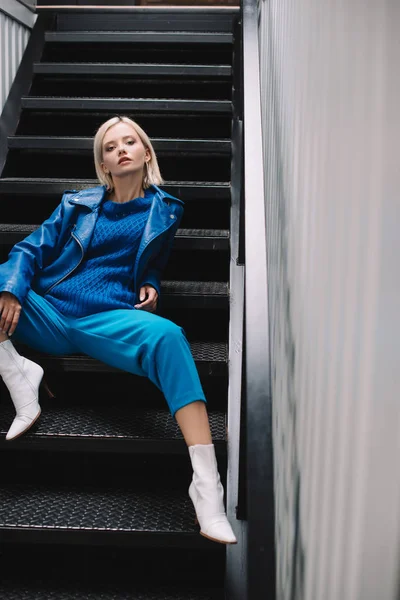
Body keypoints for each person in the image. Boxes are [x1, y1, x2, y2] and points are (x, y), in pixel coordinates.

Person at [0, 115, 237, 545]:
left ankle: (207, 487)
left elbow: (153, 260)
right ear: (103, 163)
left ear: (146, 153)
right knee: (2, 279)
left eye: (130, 142)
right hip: (50, 310)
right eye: (111, 147)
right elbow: (29, 249)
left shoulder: (165, 210)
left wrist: (151, 282)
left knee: (168, 337)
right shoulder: (77, 204)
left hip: (105, 319)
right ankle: (18, 375)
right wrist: (14, 291)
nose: (121, 150)